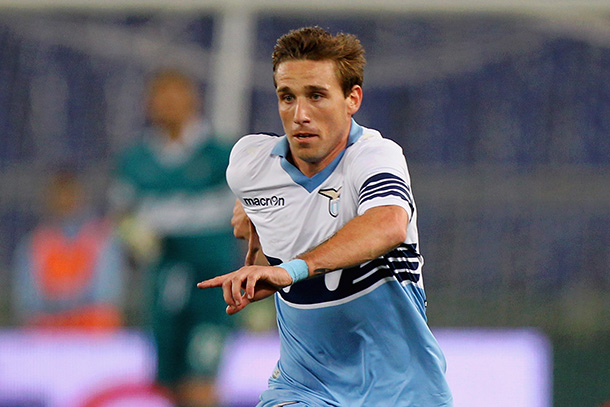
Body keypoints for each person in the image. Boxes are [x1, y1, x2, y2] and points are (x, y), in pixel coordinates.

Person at [198, 26, 453, 406]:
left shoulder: (374, 156)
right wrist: (252, 220)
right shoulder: (250, 164)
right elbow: (267, 211)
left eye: (316, 96)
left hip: (400, 392)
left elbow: (388, 224)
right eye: (287, 97)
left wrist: (291, 271)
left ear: (352, 99)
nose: (299, 114)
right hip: (304, 388)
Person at [108, 69, 238, 407]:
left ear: (193, 100)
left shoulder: (221, 156)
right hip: (162, 286)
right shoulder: (136, 161)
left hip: (213, 289)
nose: (168, 105)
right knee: (168, 386)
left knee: (201, 385)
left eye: (176, 96)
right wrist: (134, 240)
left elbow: (249, 218)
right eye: (161, 97)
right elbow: (123, 219)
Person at [12, 169, 125, 330]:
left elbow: (107, 296)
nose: (64, 201)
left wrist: (64, 302)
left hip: (94, 335)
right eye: (59, 195)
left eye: (69, 194)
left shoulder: (102, 240)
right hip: (46, 335)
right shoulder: (34, 244)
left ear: (81, 196)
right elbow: (28, 301)